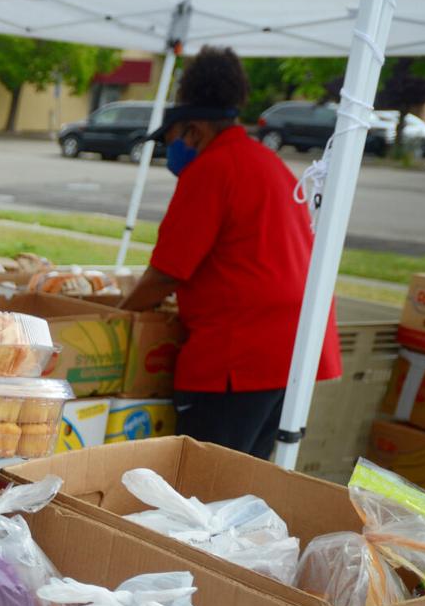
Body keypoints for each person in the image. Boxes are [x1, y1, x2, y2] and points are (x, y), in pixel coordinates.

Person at [120, 46, 341, 459]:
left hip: (240, 356)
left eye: (170, 141)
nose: (170, 154)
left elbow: (166, 273)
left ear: (194, 130)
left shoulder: (212, 168)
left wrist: (117, 317)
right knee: (242, 483)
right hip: (292, 352)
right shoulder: (267, 162)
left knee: (202, 484)